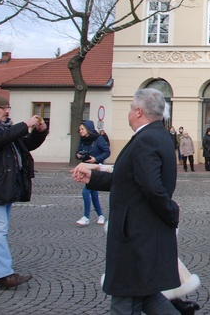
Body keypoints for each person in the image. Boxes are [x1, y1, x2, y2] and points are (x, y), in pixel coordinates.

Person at [71, 88, 180, 314]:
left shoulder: (146, 139)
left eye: (131, 107)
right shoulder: (157, 135)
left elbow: (151, 186)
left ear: (139, 111)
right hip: (141, 232)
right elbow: (131, 178)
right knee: (147, 297)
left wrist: (171, 212)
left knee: (125, 300)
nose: (129, 112)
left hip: (136, 234)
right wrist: (94, 177)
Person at [0, 95, 48, 289]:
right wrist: (25, 124)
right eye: (3, 108)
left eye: (8, 107)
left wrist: (39, 133)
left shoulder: (6, 128)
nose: (7, 111)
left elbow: (26, 145)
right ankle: (4, 275)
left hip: (4, 188)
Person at [74, 120, 110, 226]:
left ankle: (86, 217)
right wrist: (79, 156)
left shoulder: (98, 139)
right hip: (86, 168)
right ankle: (101, 216)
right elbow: (77, 152)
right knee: (93, 193)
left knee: (86, 192)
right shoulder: (82, 139)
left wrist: (95, 159)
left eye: (82, 129)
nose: (80, 131)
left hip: (96, 168)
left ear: (88, 129)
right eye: (79, 129)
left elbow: (107, 152)